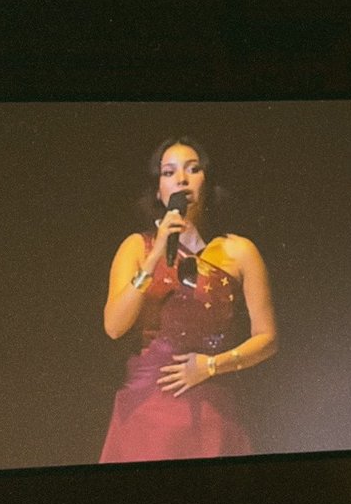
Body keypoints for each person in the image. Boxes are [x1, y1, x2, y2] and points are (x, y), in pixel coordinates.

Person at [100, 136, 277, 463]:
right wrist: (154, 258)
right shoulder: (138, 247)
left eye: (192, 169)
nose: (181, 179)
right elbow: (113, 326)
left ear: (207, 181)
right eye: (169, 172)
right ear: (158, 190)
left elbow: (267, 339)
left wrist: (210, 366)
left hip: (211, 406)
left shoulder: (239, 251)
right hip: (146, 409)